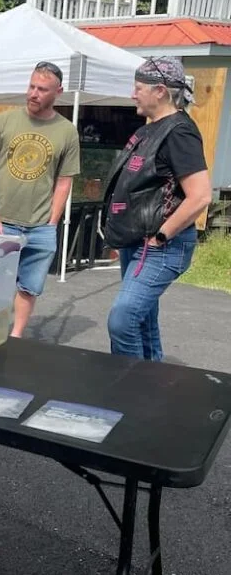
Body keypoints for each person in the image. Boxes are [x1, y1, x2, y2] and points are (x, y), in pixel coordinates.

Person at [104, 57, 212, 360]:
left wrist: (162, 236)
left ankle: (131, 391)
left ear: (160, 90)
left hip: (160, 245)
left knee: (123, 319)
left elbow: (200, 195)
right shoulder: (150, 128)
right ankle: (151, 391)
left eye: (138, 88)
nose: (132, 94)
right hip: (136, 242)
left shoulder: (179, 131)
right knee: (144, 322)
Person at [0, 62, 80, 338]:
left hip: (40, 226)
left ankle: (16, 337)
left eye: (42, 89)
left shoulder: (67, 131)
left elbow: (64, 180)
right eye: (31, 86)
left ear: (57, 92)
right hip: (1, 222)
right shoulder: (4, 121)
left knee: (29, 287)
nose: (34, 93)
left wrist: (52, 221)